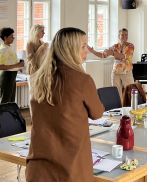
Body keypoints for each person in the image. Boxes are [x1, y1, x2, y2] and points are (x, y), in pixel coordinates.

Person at [26, 27, 104, 182]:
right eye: (83, 47)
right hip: (70, 168)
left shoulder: (39, 78)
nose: (86, 51)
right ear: (70, 50)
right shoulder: (83, 80)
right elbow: (97, 113)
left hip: (39, 166)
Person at [88, 28, 134, 98]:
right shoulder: (114, 47)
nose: (125, 36)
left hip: (127, 73)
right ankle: (119, 108)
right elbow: (103, 55)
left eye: (126, 35)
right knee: (116, 94)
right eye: (123, 35)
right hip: (115, 73)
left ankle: (133, 108)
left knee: (131, 93)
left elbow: (124, 56)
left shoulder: (130, 46)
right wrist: (93, 51)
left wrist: (112, 53)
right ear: (119, 36)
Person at [0, 27, 24, 104]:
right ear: (5, 38)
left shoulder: (8, 48)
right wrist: (17, 65)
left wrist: (18, 68)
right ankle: (3, 116)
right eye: (11, 36)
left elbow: (9, 63)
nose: (13, 38)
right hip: (7, 77)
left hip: (11, 76)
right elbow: (0, 67)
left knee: (11, 102)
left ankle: (9, 116)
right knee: (6, 102)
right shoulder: (4, 49)